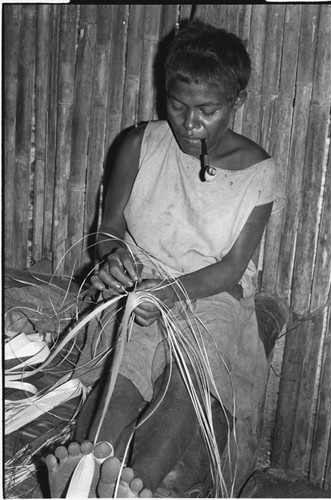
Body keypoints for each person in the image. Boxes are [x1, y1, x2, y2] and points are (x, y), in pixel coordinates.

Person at [46, 19, 285, 498]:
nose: (190, 123)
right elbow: (109, 228)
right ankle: (86, 470)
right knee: (127, 362)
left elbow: (231, 269)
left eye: (207, 110)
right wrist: (113, 258)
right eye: (177, 106)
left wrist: (171, 294)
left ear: (236, 102)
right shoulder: (139, 144)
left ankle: (139, 485)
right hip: (141, 275)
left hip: (211, 291)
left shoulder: (260, 172)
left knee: (187, 374)